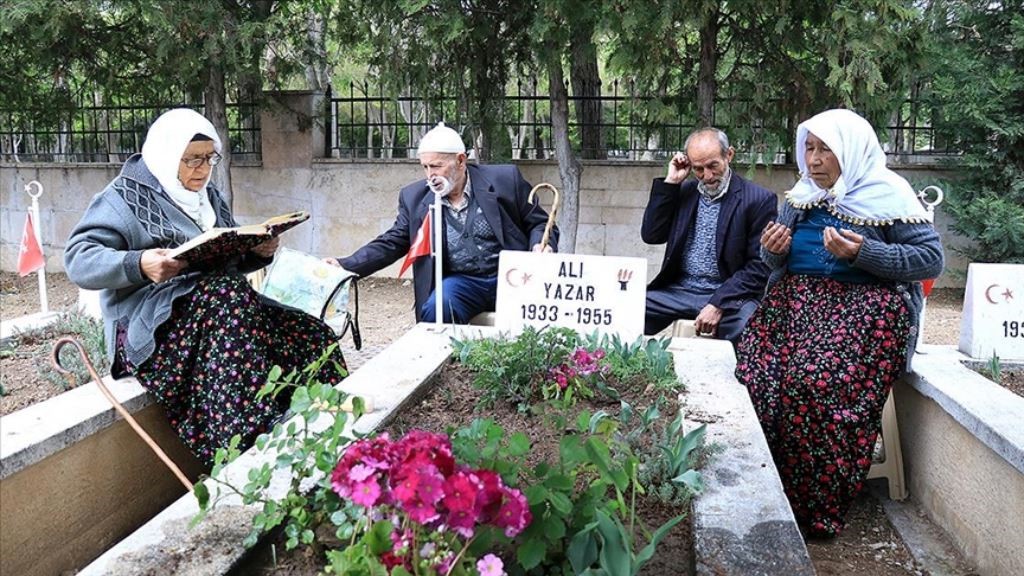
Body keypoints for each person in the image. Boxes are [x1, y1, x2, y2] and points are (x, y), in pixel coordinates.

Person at [64, 108, 346, 465]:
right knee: (228, 297)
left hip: (212, 312)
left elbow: (221, 256)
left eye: (209, 158)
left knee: (305, 331)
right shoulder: (121, 198)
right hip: (149, 329)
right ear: (166, 155)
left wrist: (255, 252)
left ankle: (320, 427)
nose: (202, 168)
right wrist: (139, 264)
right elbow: (78, 258)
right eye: (192, 160)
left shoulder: (208, 197)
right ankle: (247, 444)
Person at [735, 108, 944, 537]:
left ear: (850, 150)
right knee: (757, 375)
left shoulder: (889, 195)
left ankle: (813, 507)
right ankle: (766, 489)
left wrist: (862, 254)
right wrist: (772, 251)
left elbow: (929, 260)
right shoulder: (803, 196)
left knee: (813, 381)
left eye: (825, 149)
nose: (813, 160)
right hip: (796, 307)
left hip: (865, 312)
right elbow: (776, 261)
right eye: (809, 148)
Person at [330, 122, 558, 323]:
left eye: (437, 166)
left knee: (535, 323)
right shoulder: (415, 198)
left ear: (460, 161)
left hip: (512, 276)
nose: (430, 174)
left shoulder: (504, 180)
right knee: (437, 309)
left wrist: (541, 244)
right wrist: (346, 265)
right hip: (462, 283)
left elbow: (539, 223)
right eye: (425, 167)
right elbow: (391, 243)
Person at [642, 128, 777, 342]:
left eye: (713, 166)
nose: (707, 176)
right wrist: (671, 183)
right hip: (678, 291)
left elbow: (759, 266)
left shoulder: (758, 199)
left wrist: (718, 303)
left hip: (731, 297)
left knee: (749, 329)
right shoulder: (684, 191)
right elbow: (652, 235)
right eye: (698, 169)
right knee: (620, 311)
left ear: (729, 155)